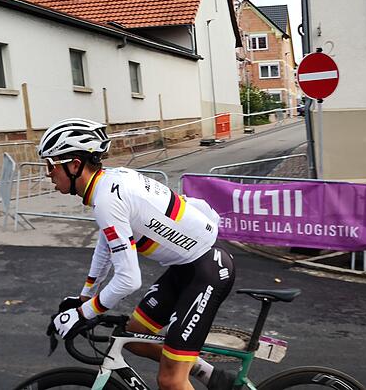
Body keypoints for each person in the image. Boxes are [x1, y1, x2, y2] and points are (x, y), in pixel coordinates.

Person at [42, 118, 236, 390]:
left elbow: (128, 279)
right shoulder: (107, 184)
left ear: (74, 165)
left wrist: (84, 313)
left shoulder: (107, 197)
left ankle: (186, 373)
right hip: (186, 268)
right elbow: (107, 243)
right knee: (134, 336)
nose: (48, 173)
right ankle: (208, 375)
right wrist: (85, 295)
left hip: (207, 271)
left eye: (51, 165)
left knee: (170, 381)